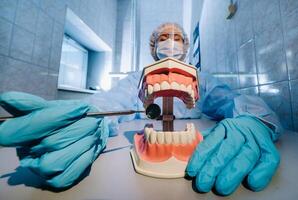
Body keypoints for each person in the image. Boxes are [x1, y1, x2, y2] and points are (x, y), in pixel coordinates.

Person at [0, 23, 281, 195]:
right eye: (162, 38)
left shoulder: (201, 78)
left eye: (176, 37)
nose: (169, 42)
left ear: (185, 46)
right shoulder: (138, 78)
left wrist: (256, 120)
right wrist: (90, 114)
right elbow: (113, 101)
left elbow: (232, 100)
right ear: (153, 46)